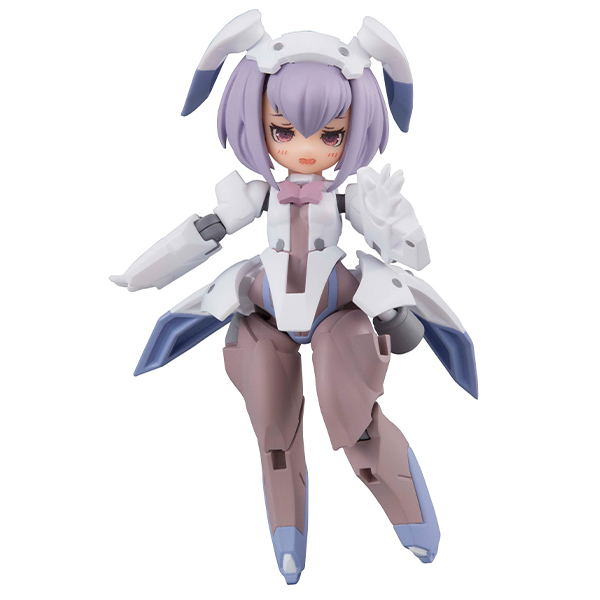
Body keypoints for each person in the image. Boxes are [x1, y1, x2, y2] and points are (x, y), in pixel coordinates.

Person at [110, 10, 477, 584]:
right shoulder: (253, 196)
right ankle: (289, 540)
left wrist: (395, 224)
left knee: (357, 423)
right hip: (265, 309)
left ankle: (413, 522)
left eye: (330, 135)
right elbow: (201, 234)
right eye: (283, 131)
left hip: (338, 311)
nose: (307, 149)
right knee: (274, 435)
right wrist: (140, 273)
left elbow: (412, 255)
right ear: (257, 124)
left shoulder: (354, 198)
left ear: (353, 132)